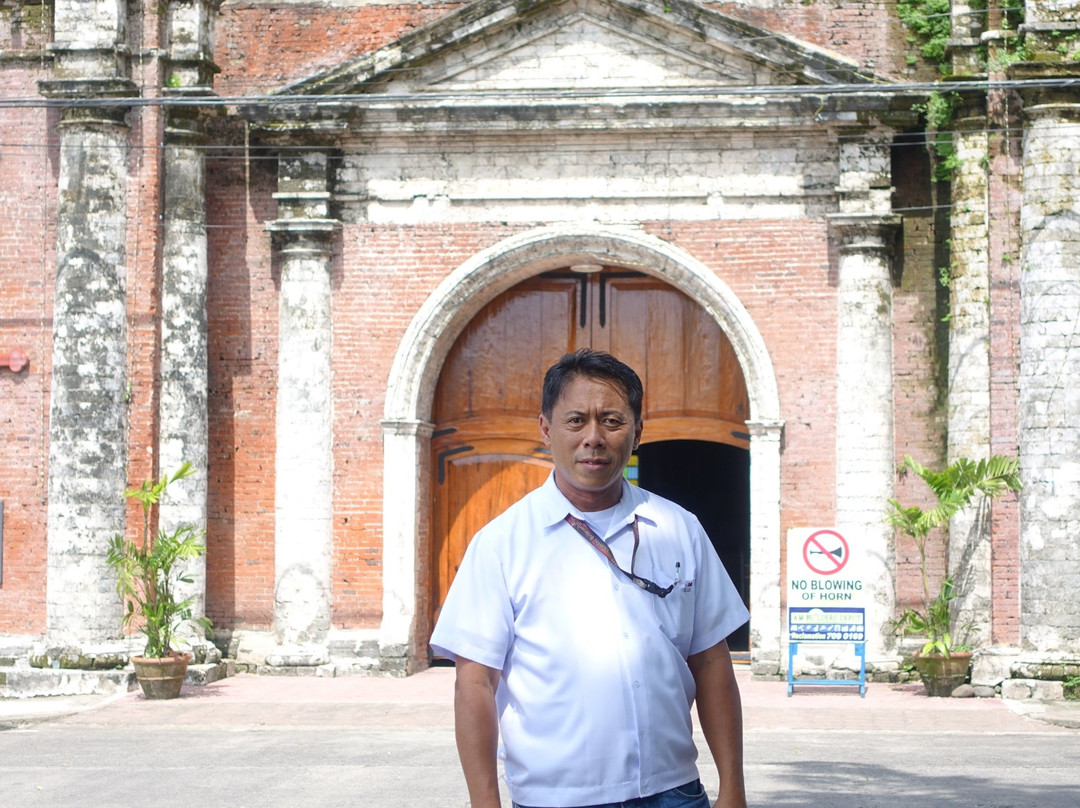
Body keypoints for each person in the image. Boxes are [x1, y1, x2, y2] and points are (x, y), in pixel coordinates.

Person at [430, 348, 750, 808]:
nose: (594, 438)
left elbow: (713, 663)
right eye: (576, 420)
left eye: (613, 421)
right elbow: (475, 682)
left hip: (673, 790)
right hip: (555, 799)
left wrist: (733, 789)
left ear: (637, 432)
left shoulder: (680, 528)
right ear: (546, 429)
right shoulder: (502, 543)